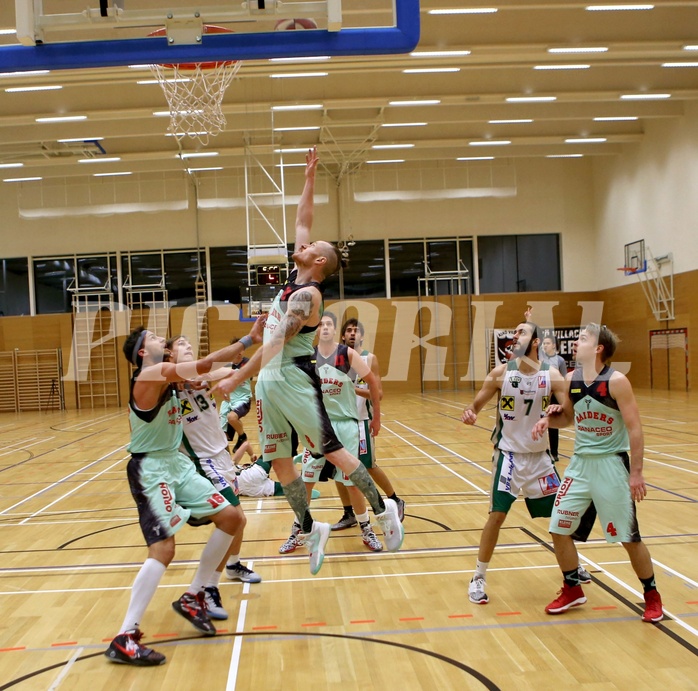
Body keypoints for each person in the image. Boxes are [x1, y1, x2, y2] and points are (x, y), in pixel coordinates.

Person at [213, 146, 403, 575]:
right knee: (280, 462)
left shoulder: (308, 296)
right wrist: (309, 178)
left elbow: (277, 342)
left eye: (312, 245)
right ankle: (306, 524)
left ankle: (382, 507)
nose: (303, 241)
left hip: (294, 379)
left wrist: (238, 374)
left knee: (331, 450)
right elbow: (303, 219)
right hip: (270, 386)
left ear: (318, 261)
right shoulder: (295, 276)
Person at [104, 317, 263, 667]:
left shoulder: (173, 379)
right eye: (158, 338)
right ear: (145, 352)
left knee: (232, 517)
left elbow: (208, 372)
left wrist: (245, 359)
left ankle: (194, 595)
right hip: (150, 468)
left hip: (176, 466)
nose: (165, 339)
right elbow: (207, 365)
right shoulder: (149, 374)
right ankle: (125, 636)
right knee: (163, 548)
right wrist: (249, 340)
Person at [534, 323, 664, 622]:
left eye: (582, 339)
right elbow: (567, 418)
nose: (575, 343)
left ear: (599, 348)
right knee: (558, 529)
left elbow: (634, 428)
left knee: (629, 538)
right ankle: (572, 588)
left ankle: (652, 594)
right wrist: (547, 420)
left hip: (611, 464)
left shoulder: (617, 381)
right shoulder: (571, 379)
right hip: (580, 465)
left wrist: (637, 473)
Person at [461, 320, 590, 605]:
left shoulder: (552, 375)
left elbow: (568, 417)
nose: (514, 335)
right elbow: (474, 407)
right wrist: (470, 413)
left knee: (560, 516)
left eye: (521, 332)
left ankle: (573, 567)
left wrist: (552, 417)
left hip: (540, 459)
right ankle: (478, 576)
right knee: (497, 515)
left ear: (534, 342)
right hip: (508, 456)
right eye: (514, 332)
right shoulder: (500, 374)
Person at [167, 335, 262, 622]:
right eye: (180, 344)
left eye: (188, 342)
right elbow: (208, 369)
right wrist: (248, 341)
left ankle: (231, 565)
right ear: (169, 357)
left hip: (222, 456)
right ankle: (207, 588)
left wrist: (226, 373)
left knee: (239, 520)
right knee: (235, 519)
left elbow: (221, 371)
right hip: (203, 462)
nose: (187, 345)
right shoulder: (169, 386)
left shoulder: (200, 379)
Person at [278, 312, 384, 554]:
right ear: (316, 330)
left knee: (353, 483)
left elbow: (374, 384)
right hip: (317, 426)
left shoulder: (347, 354)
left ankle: (367, 529)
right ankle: (298, 530)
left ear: (334, 330)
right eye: (321, 324)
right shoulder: (307, 357)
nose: (324, 328)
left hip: (346, 424)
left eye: (329, 324)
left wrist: (376, 417)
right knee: (305, 481)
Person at [330, 318, 406, 531]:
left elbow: (378, 393)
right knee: (339, 467)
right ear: (343, 336)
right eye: (349, 330)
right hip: (340, 421)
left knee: (369, 466)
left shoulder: (369, 358)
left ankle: (395, 499)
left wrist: (376, 419)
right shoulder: (335, 359)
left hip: (362, 421)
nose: (353, 334)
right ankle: (348, 513)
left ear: (362, 336)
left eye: (356, 331)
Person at [219, 337, 254, 458]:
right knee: (222, 437)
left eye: (241, 349)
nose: (239, 352)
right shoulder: (227, 364)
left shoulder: (247, 362)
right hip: (229, 400)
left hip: (243, 399)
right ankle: (251, 454)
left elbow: (246, 373)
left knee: (232, 418)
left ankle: (242, 437)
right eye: (236, 349)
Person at [540, 334, 568, 462]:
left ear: (553, 345)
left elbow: (564, 378)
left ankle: (554, 452)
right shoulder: (540, 359)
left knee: (553, 425)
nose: (545, 345)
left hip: (555, 396)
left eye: (547, 343)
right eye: (544, 343)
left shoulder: (560, 360)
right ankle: (540, 450)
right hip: (542, 394)